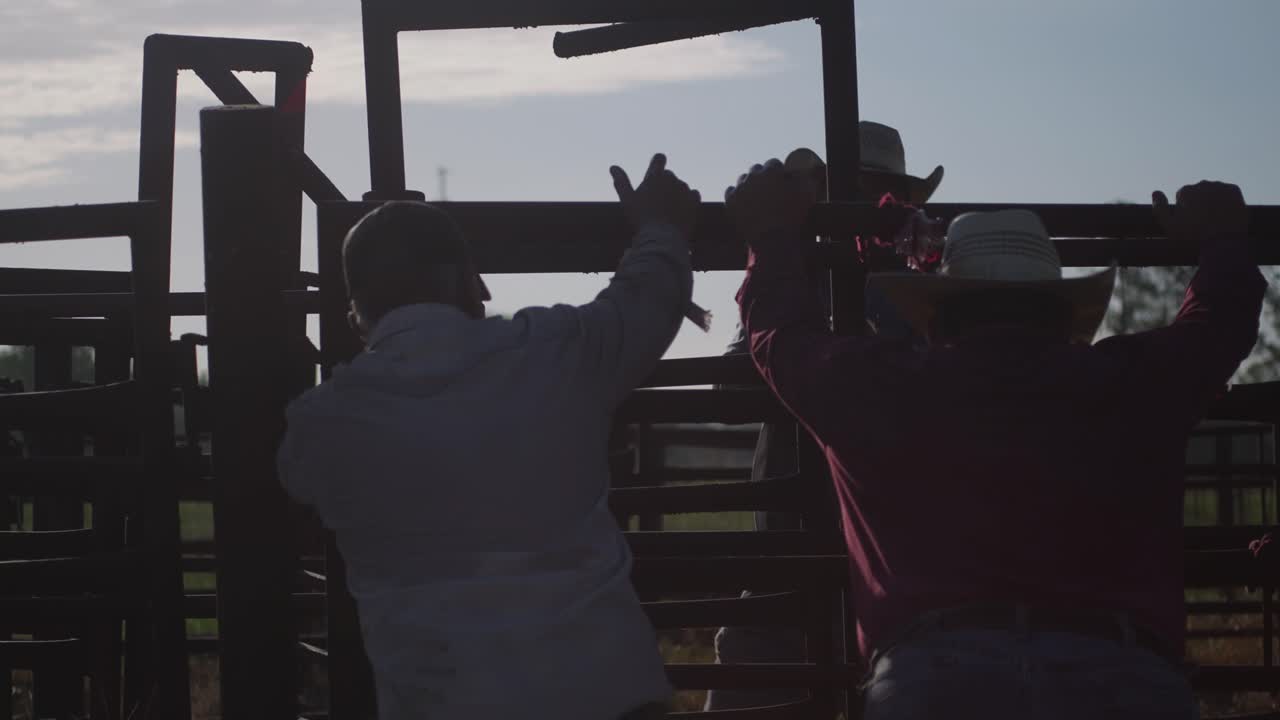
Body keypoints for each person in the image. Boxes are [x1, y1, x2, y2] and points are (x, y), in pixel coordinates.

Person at [729, 160, 1266, 719]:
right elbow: (1221, 319)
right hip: (1121, 670)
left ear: (935, 317)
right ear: (1065, 316)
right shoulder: (1135, 380)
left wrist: (770, 235)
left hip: (932, 674)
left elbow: (781, 334)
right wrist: (1223, 236)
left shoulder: (876, 384)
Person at [277, 154, 701, 720]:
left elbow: (290, 488)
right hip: (605, 695)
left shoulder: (322, 424)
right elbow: (648, 298)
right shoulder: (559, 352)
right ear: (470, 282)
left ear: (356, 316)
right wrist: (660, 227)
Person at [707, 121, 943, 712]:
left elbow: (732, 386)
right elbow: (733, 387)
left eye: (871, 191)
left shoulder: (898, 281)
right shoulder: (900, 281)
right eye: (845, 188)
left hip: (861, 557)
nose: (858, 204)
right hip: (849, 557)